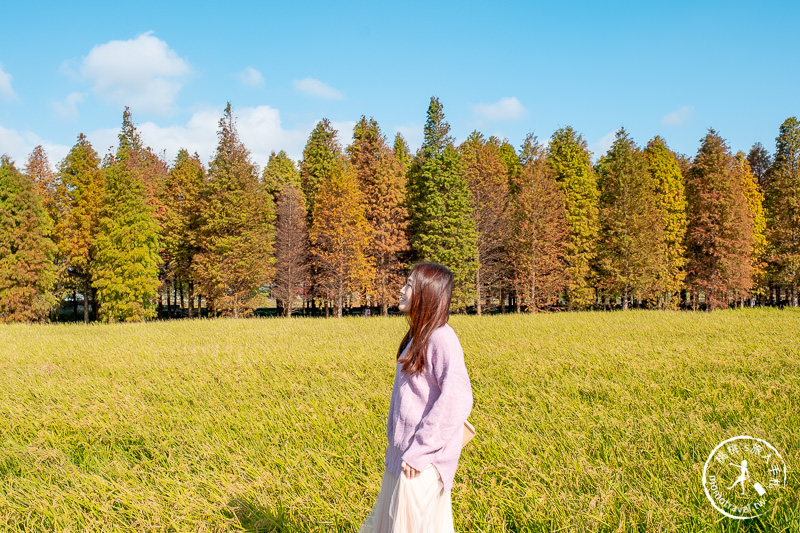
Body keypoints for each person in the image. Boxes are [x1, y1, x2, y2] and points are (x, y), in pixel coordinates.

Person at [359, 262, 473, 532]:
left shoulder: (441, 338)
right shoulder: (418, 336)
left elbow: (457, 399)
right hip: (404, 459)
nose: (402, 290)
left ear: (427, 293)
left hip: (421, 463)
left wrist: (420, 451)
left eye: (409, 284)